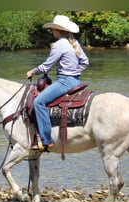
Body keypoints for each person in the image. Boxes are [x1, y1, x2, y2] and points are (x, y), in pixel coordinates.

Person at [26, 15, 89, 150]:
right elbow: (85, 62)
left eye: (53, 29)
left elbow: (46, 67)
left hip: (64, 81)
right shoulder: (74, 42)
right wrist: (75, 72)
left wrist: (32, 72)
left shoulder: (59, 45)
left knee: (39, 102)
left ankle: (46, 140)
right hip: (75, 80)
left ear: (57, 31)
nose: (52, 32)